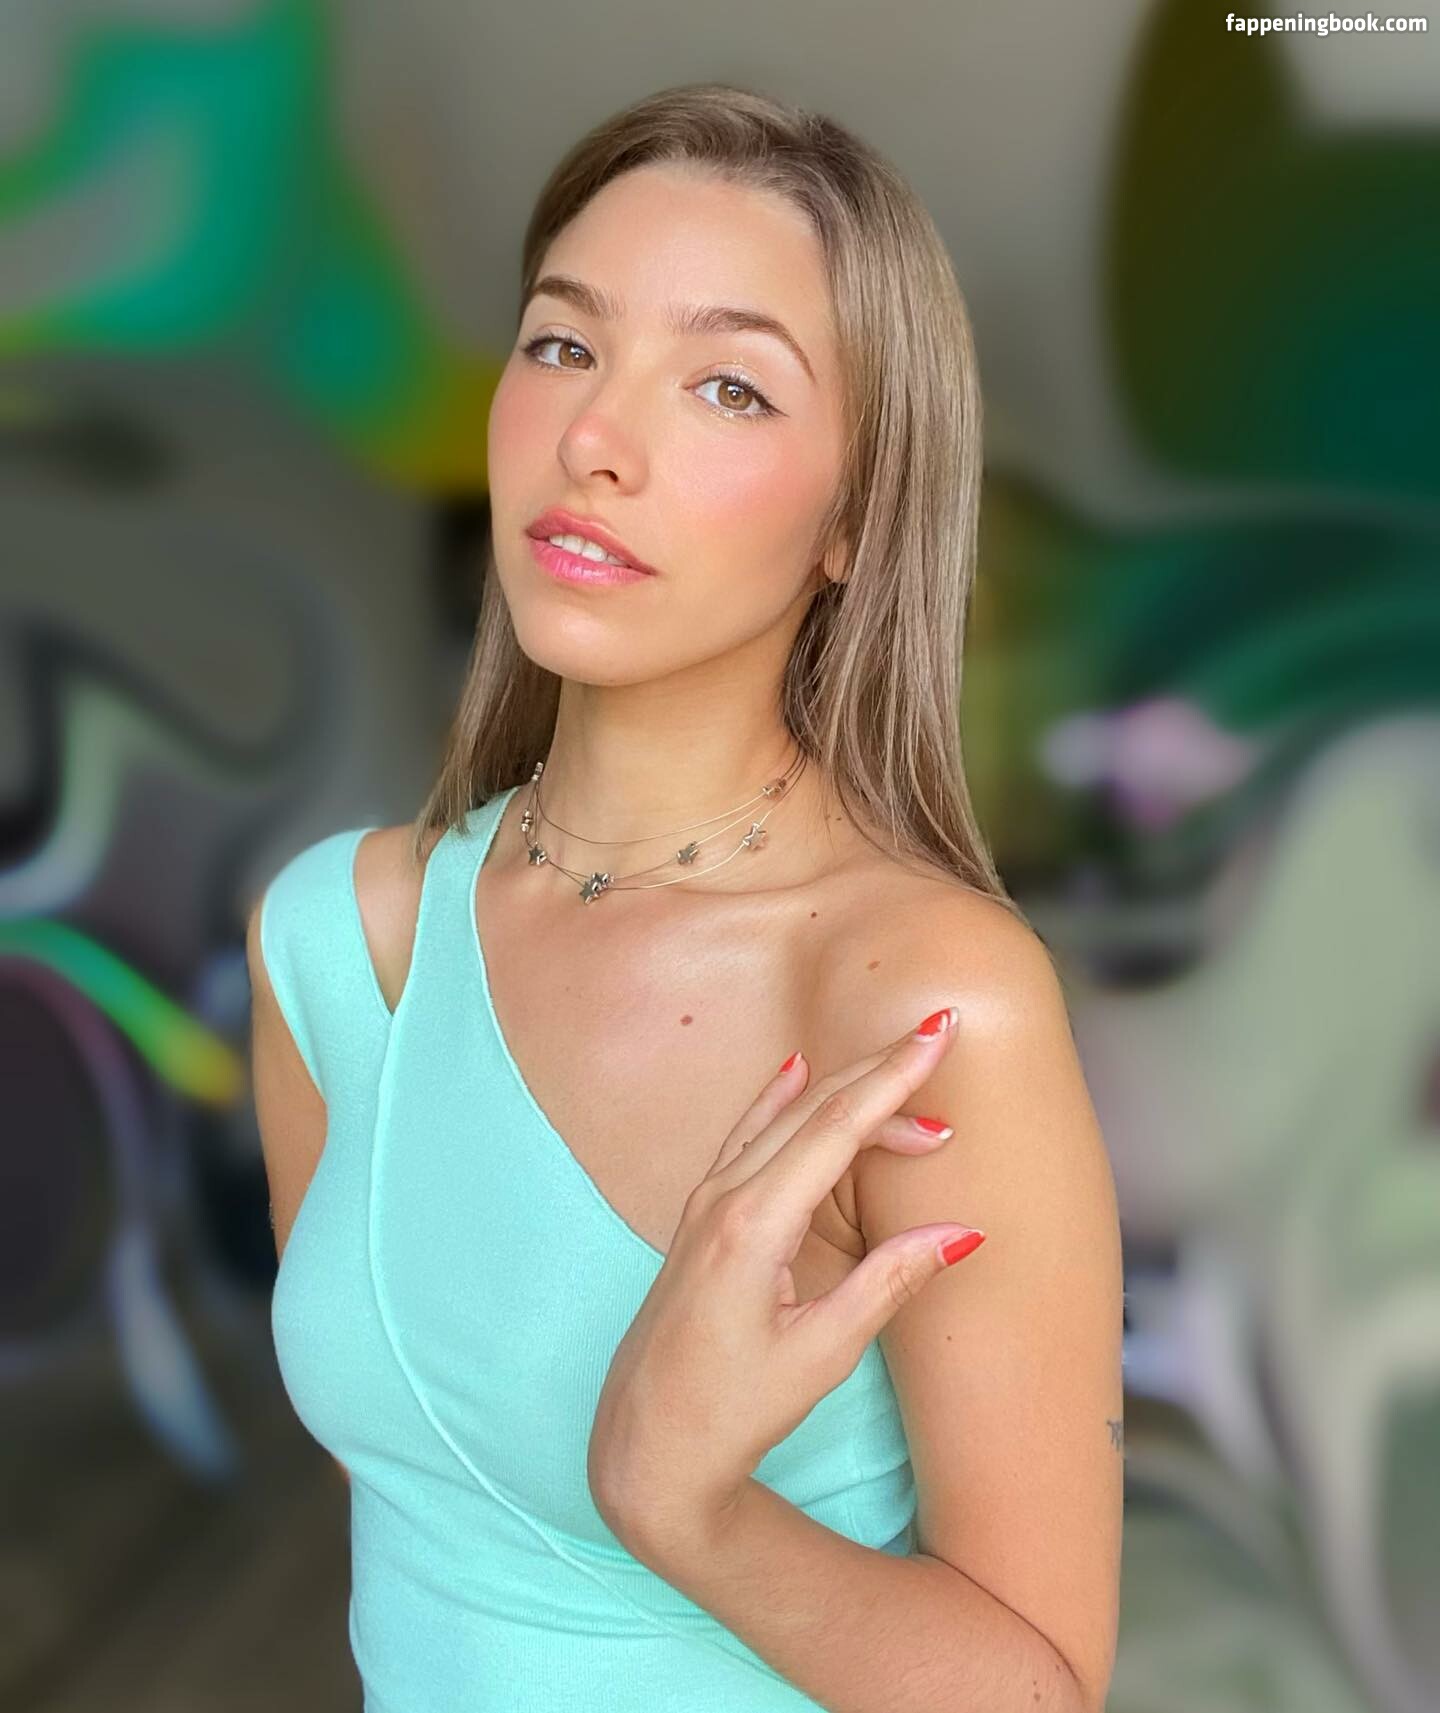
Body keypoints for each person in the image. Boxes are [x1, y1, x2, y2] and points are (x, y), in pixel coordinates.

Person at [247, 82, 1123, 1713]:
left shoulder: (920, 1002)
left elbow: (1041, 1689)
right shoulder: (339, 943)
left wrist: (686, 1506)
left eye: (728, 384)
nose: (595, 436)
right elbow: (431, 1518)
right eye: (562, 343)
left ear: (855, 517)